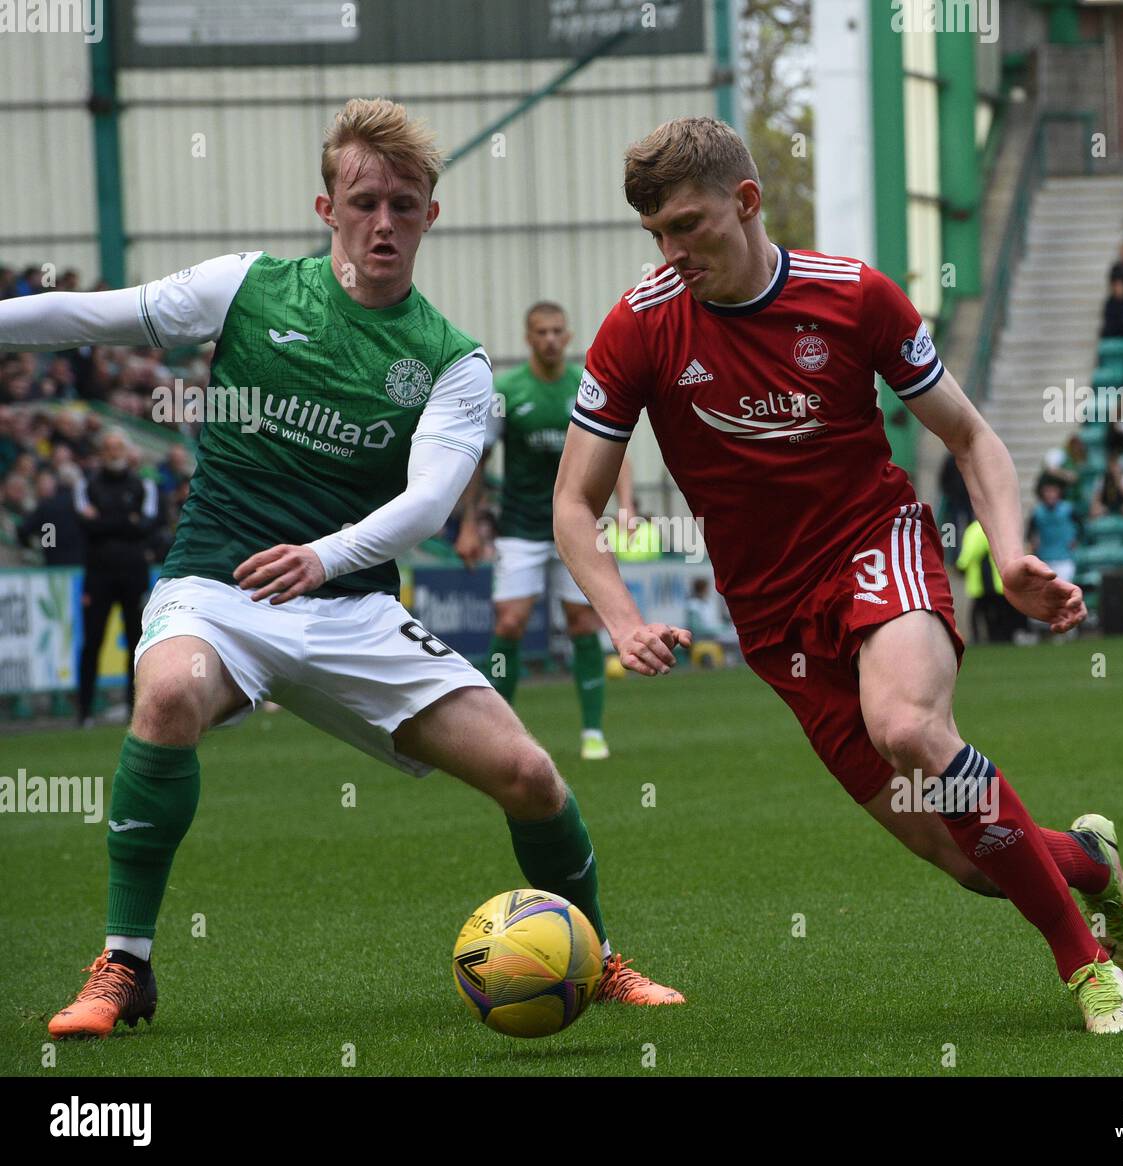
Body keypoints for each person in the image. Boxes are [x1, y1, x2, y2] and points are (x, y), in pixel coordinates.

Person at [0, 98, 680, 1040]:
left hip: (353, 608)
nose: (385, 222)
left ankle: (595, 959)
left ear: (431, 215)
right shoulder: (245, 289)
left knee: (529, 774)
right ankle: (127, 965)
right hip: (219, 588)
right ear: (329, 209)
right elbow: (94, 316)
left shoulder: (452, 361)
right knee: (163, 700)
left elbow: (428, 506)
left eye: (406, 204)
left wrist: (322, 559)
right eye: (365, 201)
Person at [552, 116, 1123, 1034]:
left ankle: (1087, 967)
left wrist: (1015, 551)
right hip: (773, 618)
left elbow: (971, 435)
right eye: (655, 236)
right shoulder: (637, 329)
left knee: (907, 722)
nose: (671, 253)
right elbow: (573, 504)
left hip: (879, 546)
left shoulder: (854, 297)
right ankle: (1089, 862)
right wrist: (622, 616)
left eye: (687, 226)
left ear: (746, 203)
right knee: (967, 860)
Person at [453, 301, 633, 760]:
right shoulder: (507, 389)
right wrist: (470, 524)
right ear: (528, 338)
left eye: (557, 331)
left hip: (578, 526)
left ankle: (593, 731)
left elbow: (618, 449)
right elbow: (481, 457)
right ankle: (499, 734)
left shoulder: (585, 386)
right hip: (520, 526)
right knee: (510, 622)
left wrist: (627, 507)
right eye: (541, 332)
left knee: (582, 622)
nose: (550, 339)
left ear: (568, 336)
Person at [72, 431, 157, 726]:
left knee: (138, 641)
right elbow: (86, 525)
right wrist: (125, 519)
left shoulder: (143, 485)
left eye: (118, 446)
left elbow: (146, 525)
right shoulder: (87, 484)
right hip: (97, 575)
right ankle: (84, 712)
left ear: (127, 451)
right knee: (92, 640)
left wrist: (105, 519)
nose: (113, 452)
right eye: (108, 447)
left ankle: (135, 709)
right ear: (101, 452)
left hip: (134, 574)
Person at [1027, 481, 1077, 583]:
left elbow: (1081, 528)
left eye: (1053, 491)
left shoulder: (1068, 510)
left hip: (1064, 560)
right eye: (1047, 491)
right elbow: (1030, 534)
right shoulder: (1037, 512)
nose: (1050, 494)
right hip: (1045, 560)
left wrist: (1075, 541)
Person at [1091, 452, 1123, 518]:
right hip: (1108, 505)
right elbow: (1097, 497)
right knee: (1094, 511)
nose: (1115, 468)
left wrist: (1117, 480)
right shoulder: (1103, 478)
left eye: (1117, 465)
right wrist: (1096, 506)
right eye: (1112, 465)